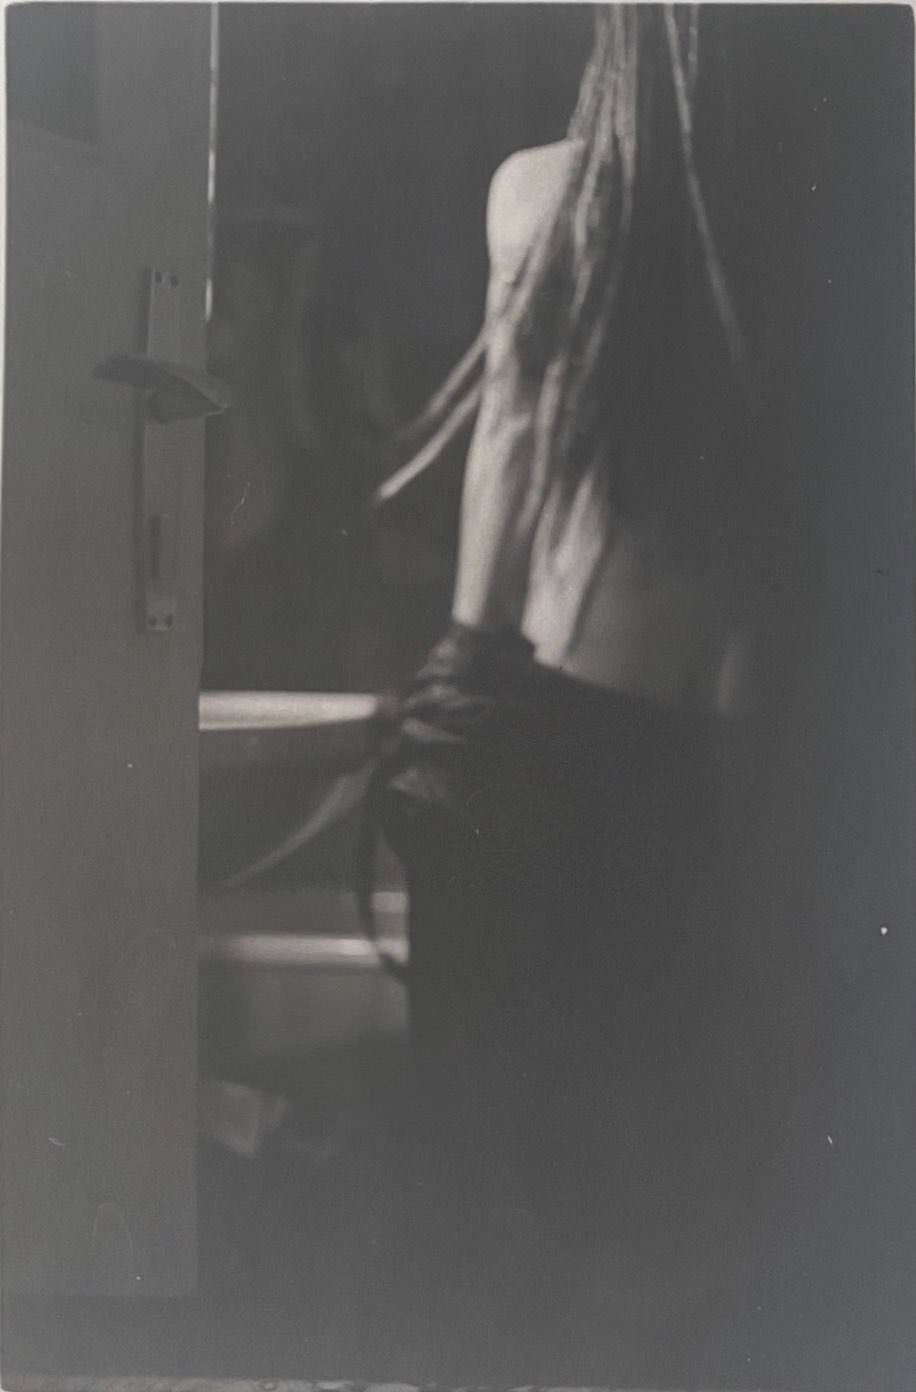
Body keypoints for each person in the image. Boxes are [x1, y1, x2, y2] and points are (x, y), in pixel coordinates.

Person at [362, 5, 913, 1385]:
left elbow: (498, 508)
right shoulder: (843, 220)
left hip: (577, 757)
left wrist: (452, 711)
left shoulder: (551, 203)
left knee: (547, 1266)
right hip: (749, 779)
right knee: (697, 1263)